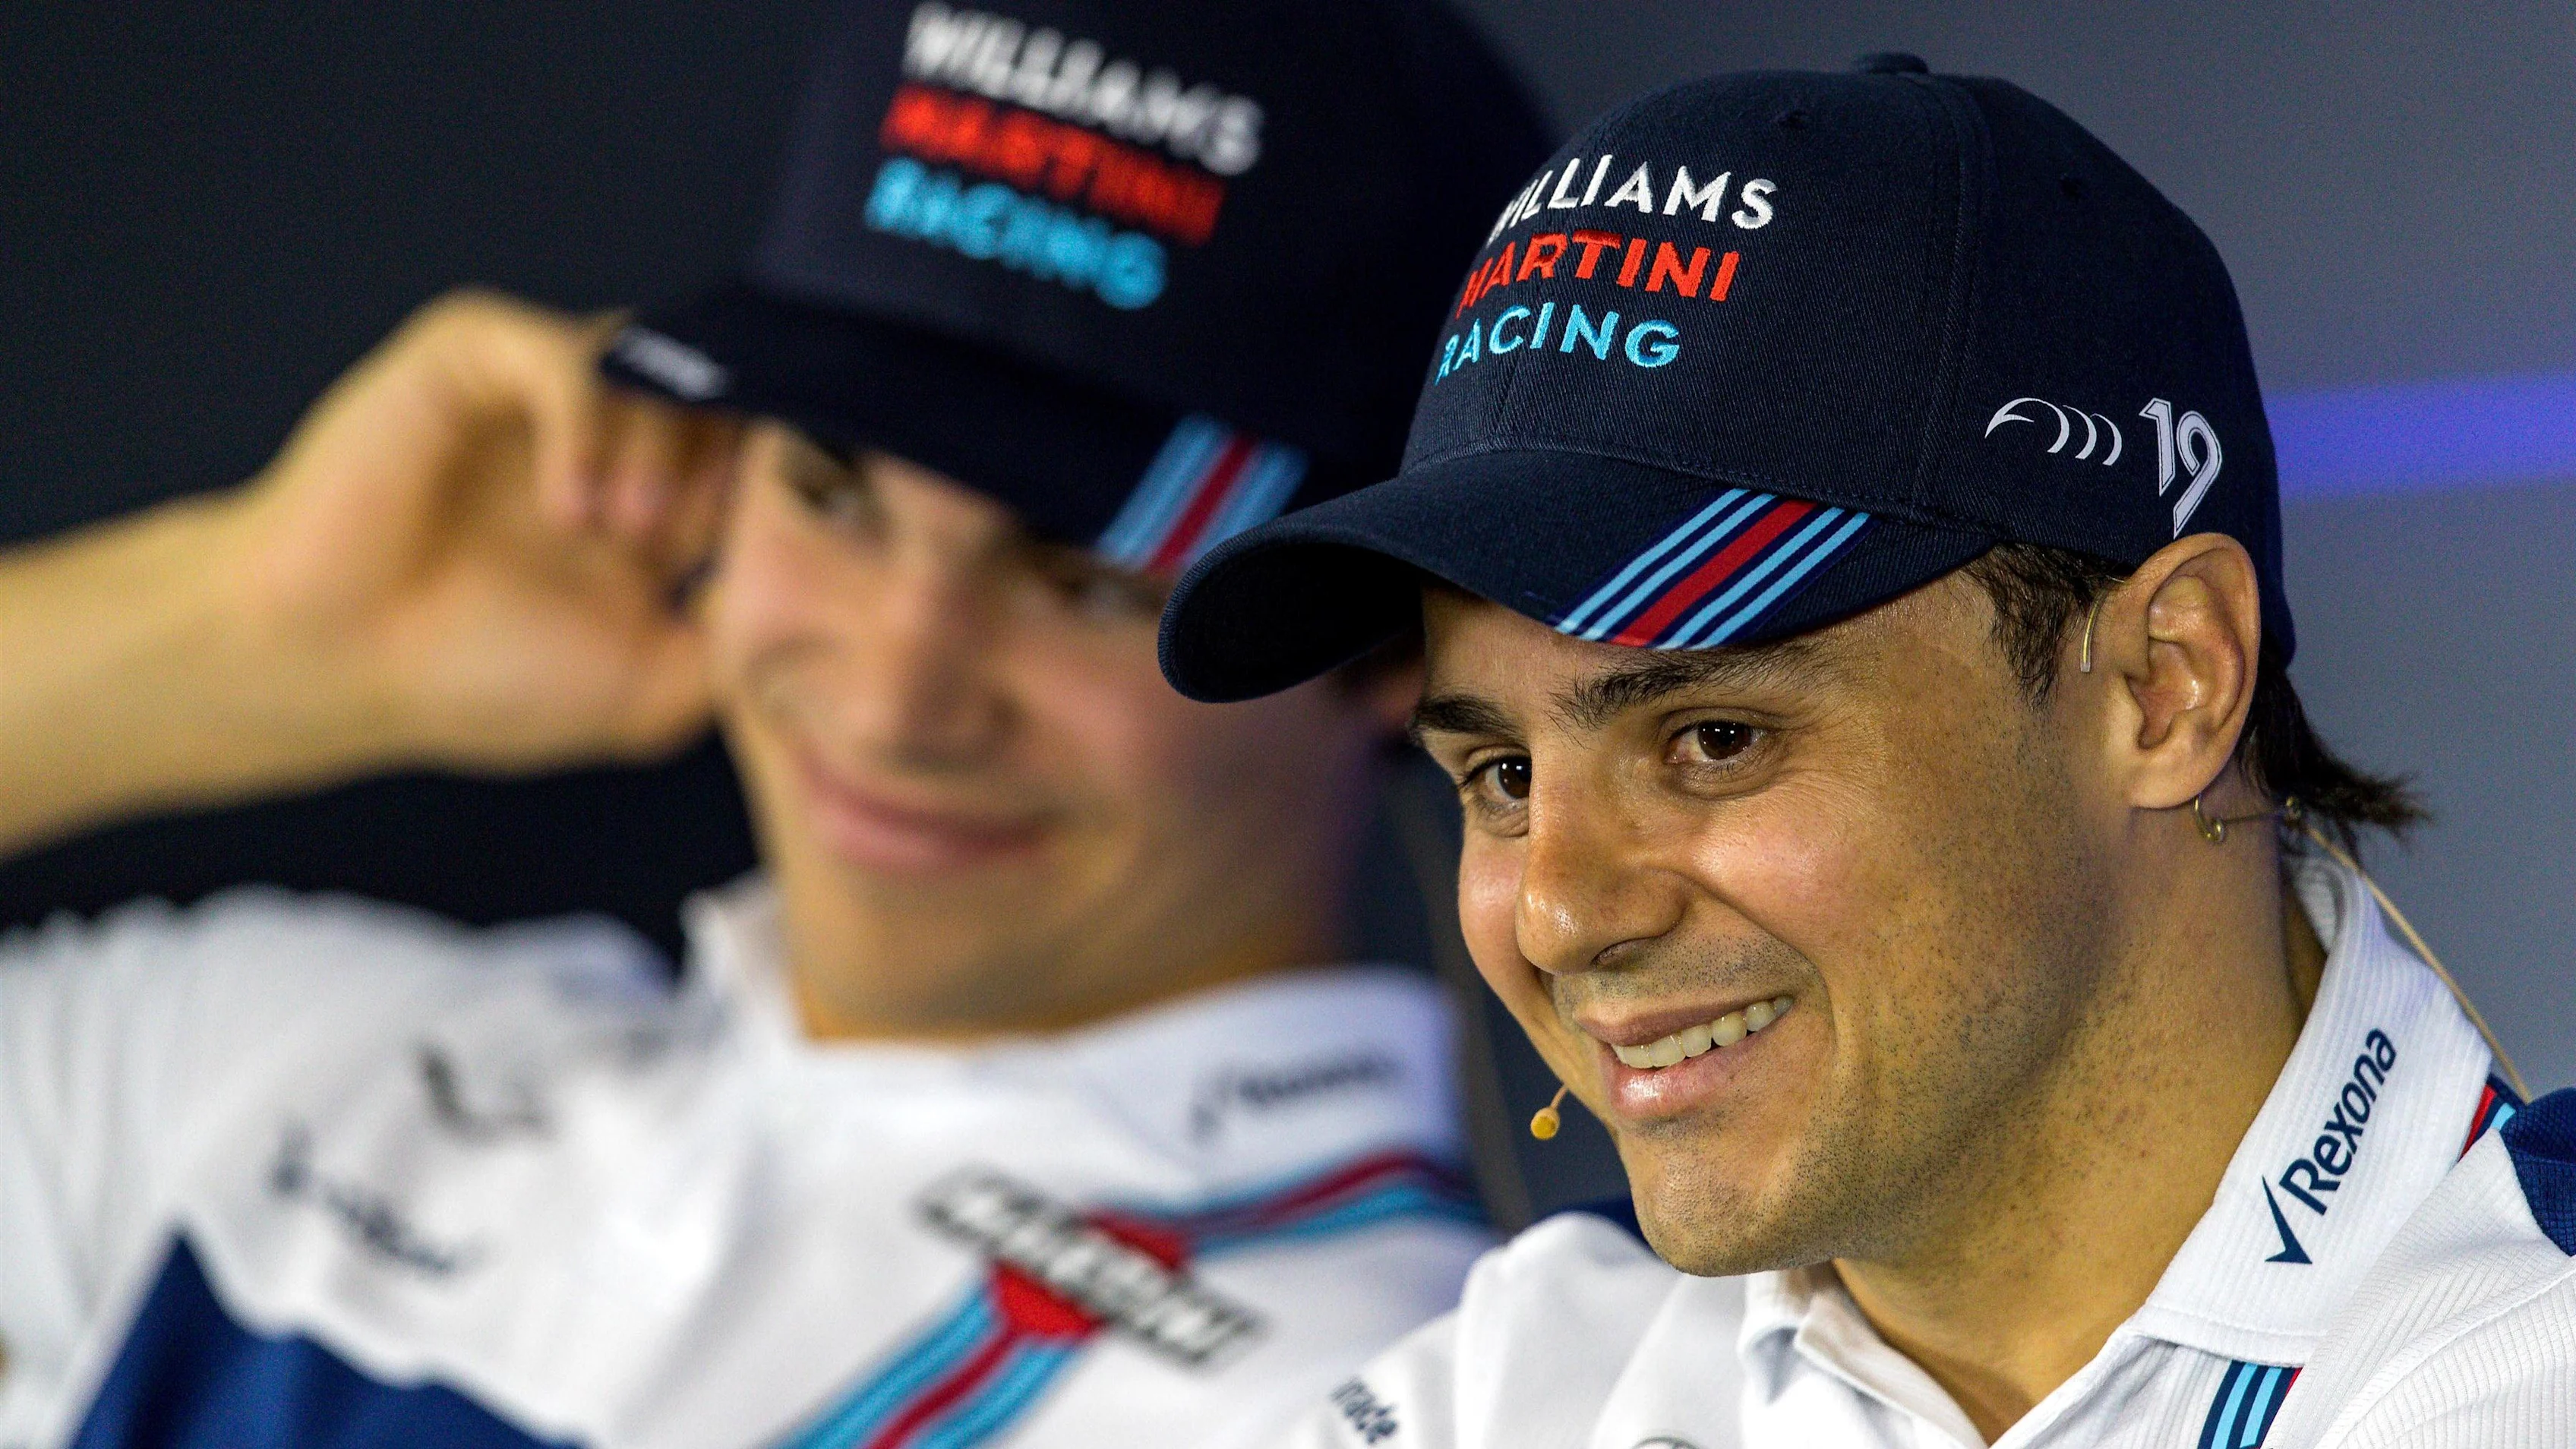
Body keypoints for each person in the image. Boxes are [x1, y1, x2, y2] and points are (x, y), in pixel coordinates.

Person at [0, 3, 1553, 1446]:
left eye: (1083, 582)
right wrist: (242, 632)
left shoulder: (1394, 1395)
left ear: (1390, 652)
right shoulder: (285, 1056)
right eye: (828, 494)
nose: (893, 698)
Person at [1157, 54, 2576, 1449]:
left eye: (1712, 740)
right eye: (1505, 778)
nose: (1561, 914)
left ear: (2166, 685)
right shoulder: (1516, 1383)